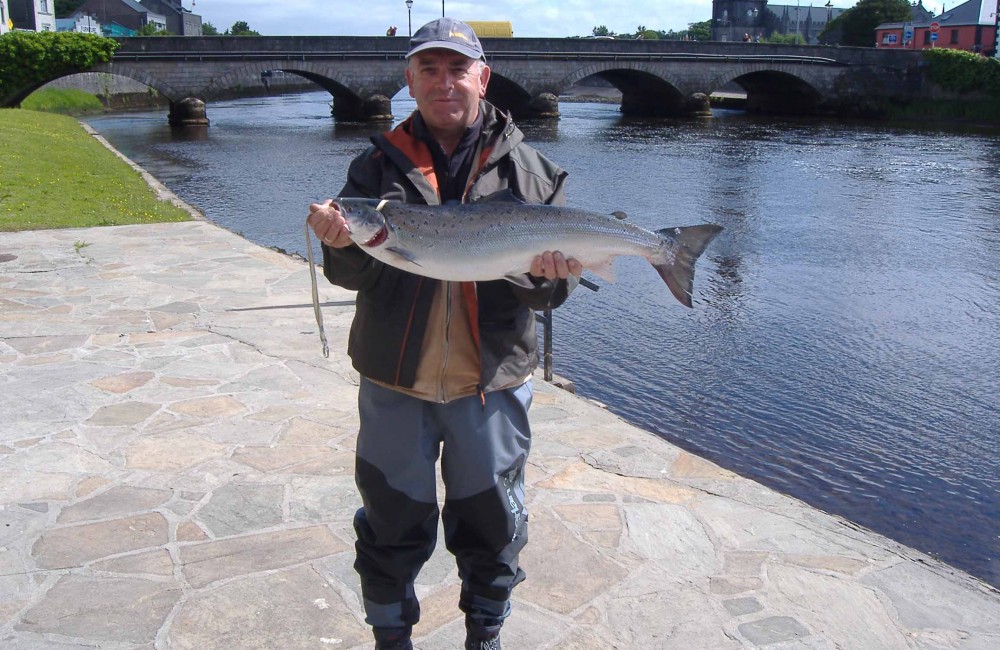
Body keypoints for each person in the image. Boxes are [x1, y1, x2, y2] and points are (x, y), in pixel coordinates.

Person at [307, 17, 582, 650]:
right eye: (428, 69)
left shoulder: (535, 174)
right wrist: (338, 244)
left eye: (457, 69)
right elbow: (352, 274)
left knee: (492, 523)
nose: (444, 82)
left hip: (490, 382)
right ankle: (390, 636)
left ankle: (484, 633)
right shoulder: (374, 169)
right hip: (394, 380)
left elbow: (553, 294)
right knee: (389, 520)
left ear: (483, 78)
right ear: (409, 81)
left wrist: (550, 276)